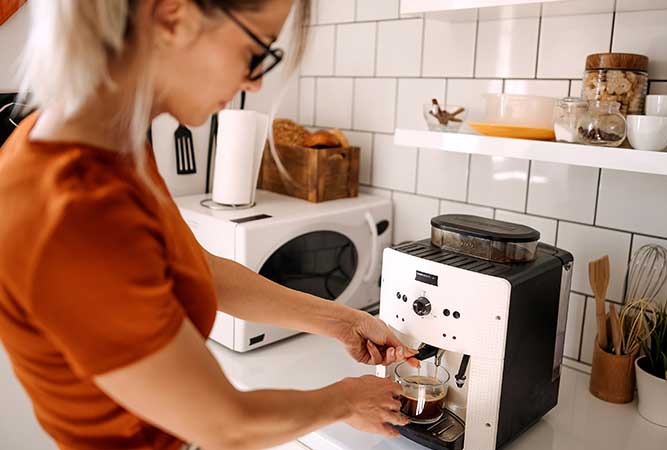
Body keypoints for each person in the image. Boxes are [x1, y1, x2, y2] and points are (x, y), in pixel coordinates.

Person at [0, 1, 418, 449]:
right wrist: (346, 401)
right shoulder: (73, 203)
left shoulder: (114, 141)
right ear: (173, 18)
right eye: (256, 53)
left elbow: (195, 265)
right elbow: (223, 424)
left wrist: (342, 321)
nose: (255, 83)